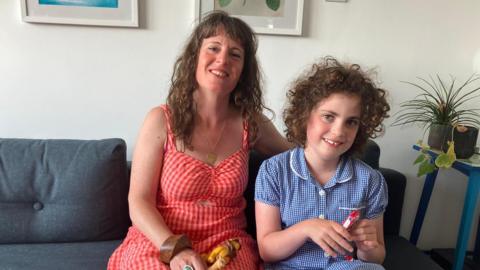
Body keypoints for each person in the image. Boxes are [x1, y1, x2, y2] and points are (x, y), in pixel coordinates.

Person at [107, 11, 292, 270]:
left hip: (228, 244)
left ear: (243, 70)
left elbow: (300, 159)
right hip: (161, 240)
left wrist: (329, 131)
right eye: (213, 48)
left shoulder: (252, 123)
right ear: (195, 57)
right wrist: (175, 250)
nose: (223, 60)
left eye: (235, 54)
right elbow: (139, 202)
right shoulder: (161, 120)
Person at [254, 56, 391, 270]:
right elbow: (267, 250)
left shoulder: (370, 181)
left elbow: (376, 258)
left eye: (351, 122)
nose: (338, 131)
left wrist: (368, 246)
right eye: (328, 116)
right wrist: (306, 228)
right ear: (304, 115)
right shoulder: (273, 171)